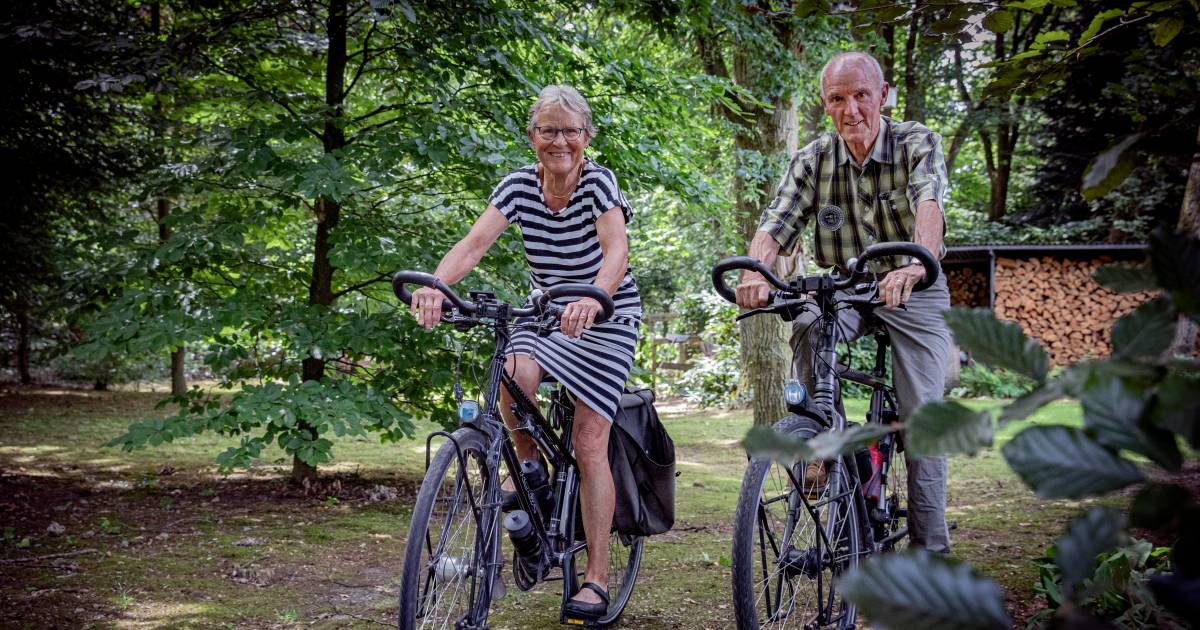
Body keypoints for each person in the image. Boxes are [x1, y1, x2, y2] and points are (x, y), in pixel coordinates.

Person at [410, 84, 641, 618]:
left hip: (607, 316)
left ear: (587, 136)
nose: (559, 140)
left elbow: (616, 251)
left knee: (588, 442)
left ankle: (598, 578)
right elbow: (474, 244)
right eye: (547, 130)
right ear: (532, 136)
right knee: (513, 371)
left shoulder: (598, 182)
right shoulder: (517, 186)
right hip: (546, 314)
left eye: (569, 130)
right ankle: (531, 471)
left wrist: (594, 296)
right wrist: (436, 287)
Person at [734, 51, 953, 553]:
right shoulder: (814, 158)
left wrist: (916, 262)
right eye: (838, 99)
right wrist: (755, 270)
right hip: (848, 284)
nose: (851, 109)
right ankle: (819, 440)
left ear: (883, 95)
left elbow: (928, 204)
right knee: (807, 320)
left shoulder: (916, 142)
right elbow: (776, 222)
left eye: (861, 95)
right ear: (825, 104)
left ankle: (929, 557)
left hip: (915, 283)